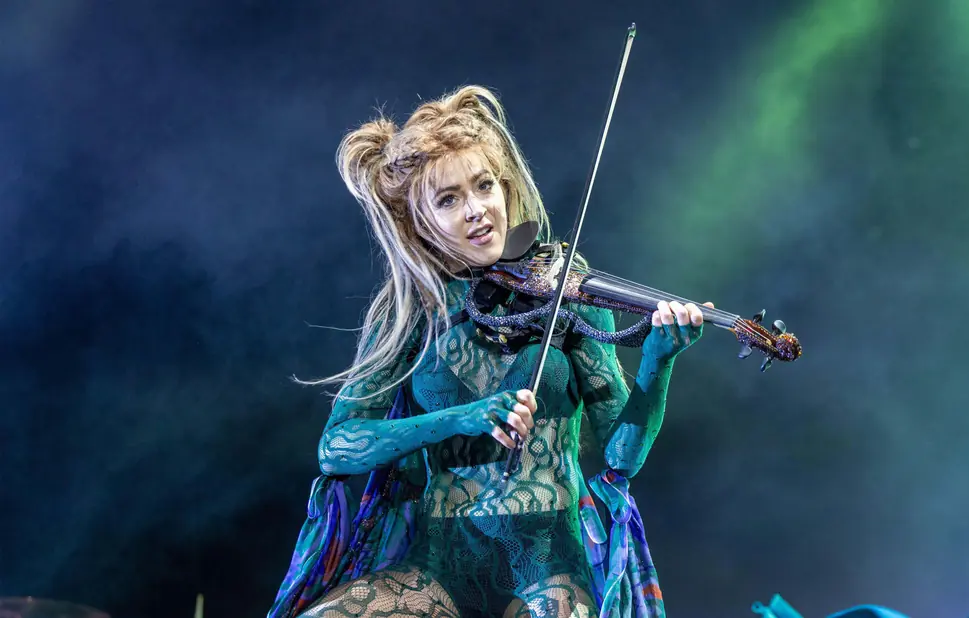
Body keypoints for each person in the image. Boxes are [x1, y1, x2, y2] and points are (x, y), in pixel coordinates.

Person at [268, 85, 712, 618]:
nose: (478, 210)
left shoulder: (566, 290)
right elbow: (337, 446)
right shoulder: (412, 311)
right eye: (449, 199)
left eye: (485, 186)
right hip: (440, 567)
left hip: (549, 566)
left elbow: (622, 459)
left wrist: (658, 365)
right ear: (418, 219)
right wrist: (463, 417)